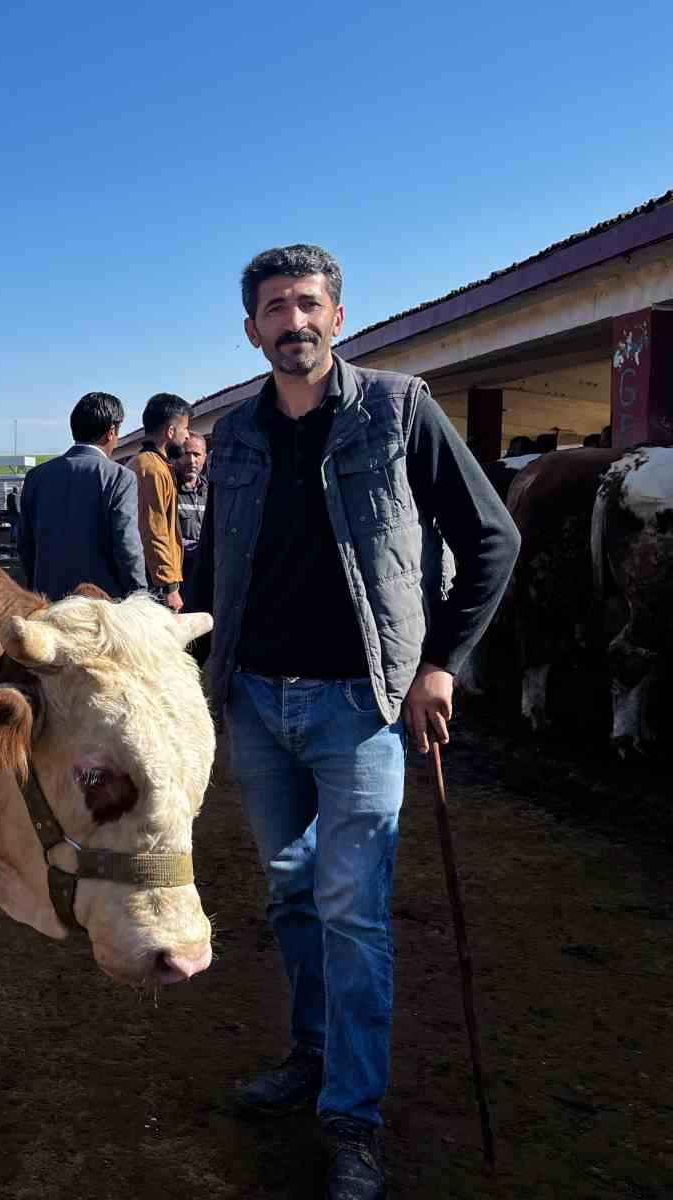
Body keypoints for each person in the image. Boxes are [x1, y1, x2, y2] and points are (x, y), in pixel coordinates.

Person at [191, 244, 518, 1200]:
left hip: (363, 706)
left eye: (307, 304)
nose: (292, 321)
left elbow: (491, 539)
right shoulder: (238, 434)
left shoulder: (401, 410)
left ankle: (352, 1119)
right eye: (274, 309)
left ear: (337, 316)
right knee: (292, 895)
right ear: (250, 328)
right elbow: (217, 564)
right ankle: (311, 1054)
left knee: (351, 908)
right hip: (256, 700)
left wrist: (439, 665)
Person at [15, 391, 147, 601]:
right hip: (101, 606)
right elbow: (127, 546)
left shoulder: (37, 477)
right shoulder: (119, 477)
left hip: (48, 601)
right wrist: (140, 594)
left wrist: (36, 583)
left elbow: (24, 543)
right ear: (111, 431)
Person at [130, 393, 192, 612]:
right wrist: (169, 587)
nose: (187, 437)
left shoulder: (154, 465)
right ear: (170, 431)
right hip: (154, 584)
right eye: (185, 429)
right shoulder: (152, 470)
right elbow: (154, 531)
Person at [174, 432, 209, 594]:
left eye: (197, 454)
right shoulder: (168, 491)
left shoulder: (212, 492)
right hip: (178, 583)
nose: (191, 460)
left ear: (205, 457)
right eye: (186, 454)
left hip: (205, 578)